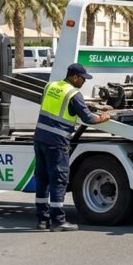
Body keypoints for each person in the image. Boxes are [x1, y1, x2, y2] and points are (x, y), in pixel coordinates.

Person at [33, 63, 111, 232]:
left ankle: (42, 220)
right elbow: (89, 119)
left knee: (42, 179)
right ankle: (59, 221)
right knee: (58, 180)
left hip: (40, 138)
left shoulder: (50, 86)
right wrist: (103, 117)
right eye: (83, 79)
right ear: (75, 77)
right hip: (57, 142)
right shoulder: (74, 94)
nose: (84, 82)